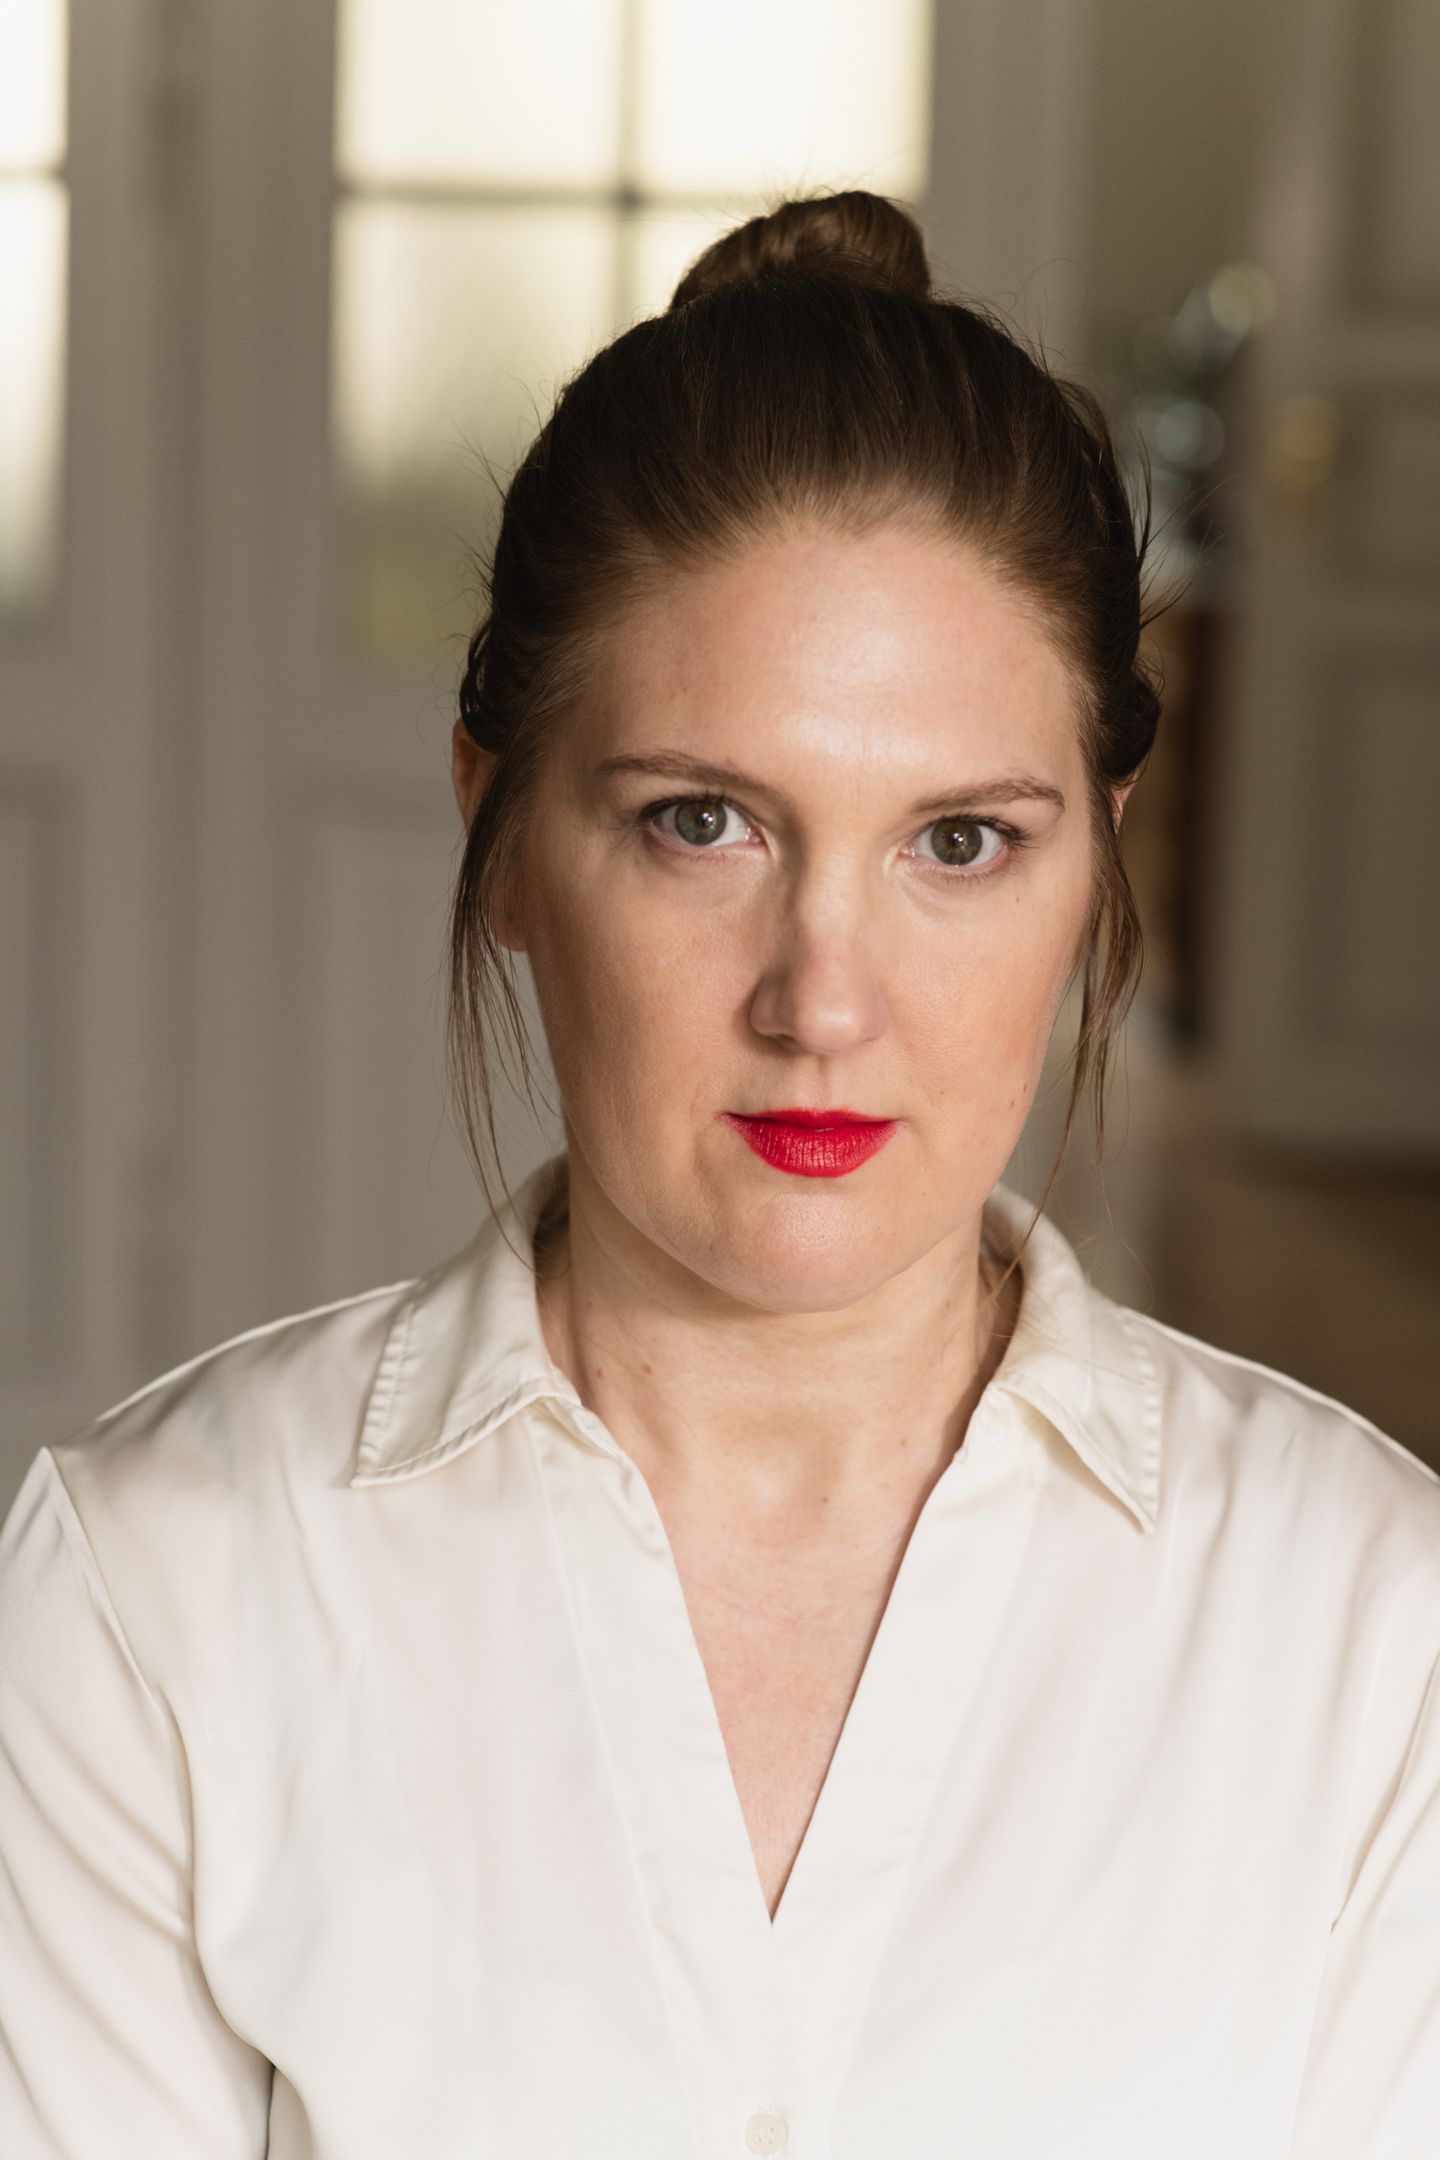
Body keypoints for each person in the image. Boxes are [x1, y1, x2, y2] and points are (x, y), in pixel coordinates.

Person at [1, 189, 1437, 2159]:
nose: (821, 1000)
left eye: (959, 843)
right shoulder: (156, 1594)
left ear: (1100, 857)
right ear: (503, 834)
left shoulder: (1366, 1624)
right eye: (703, 822)